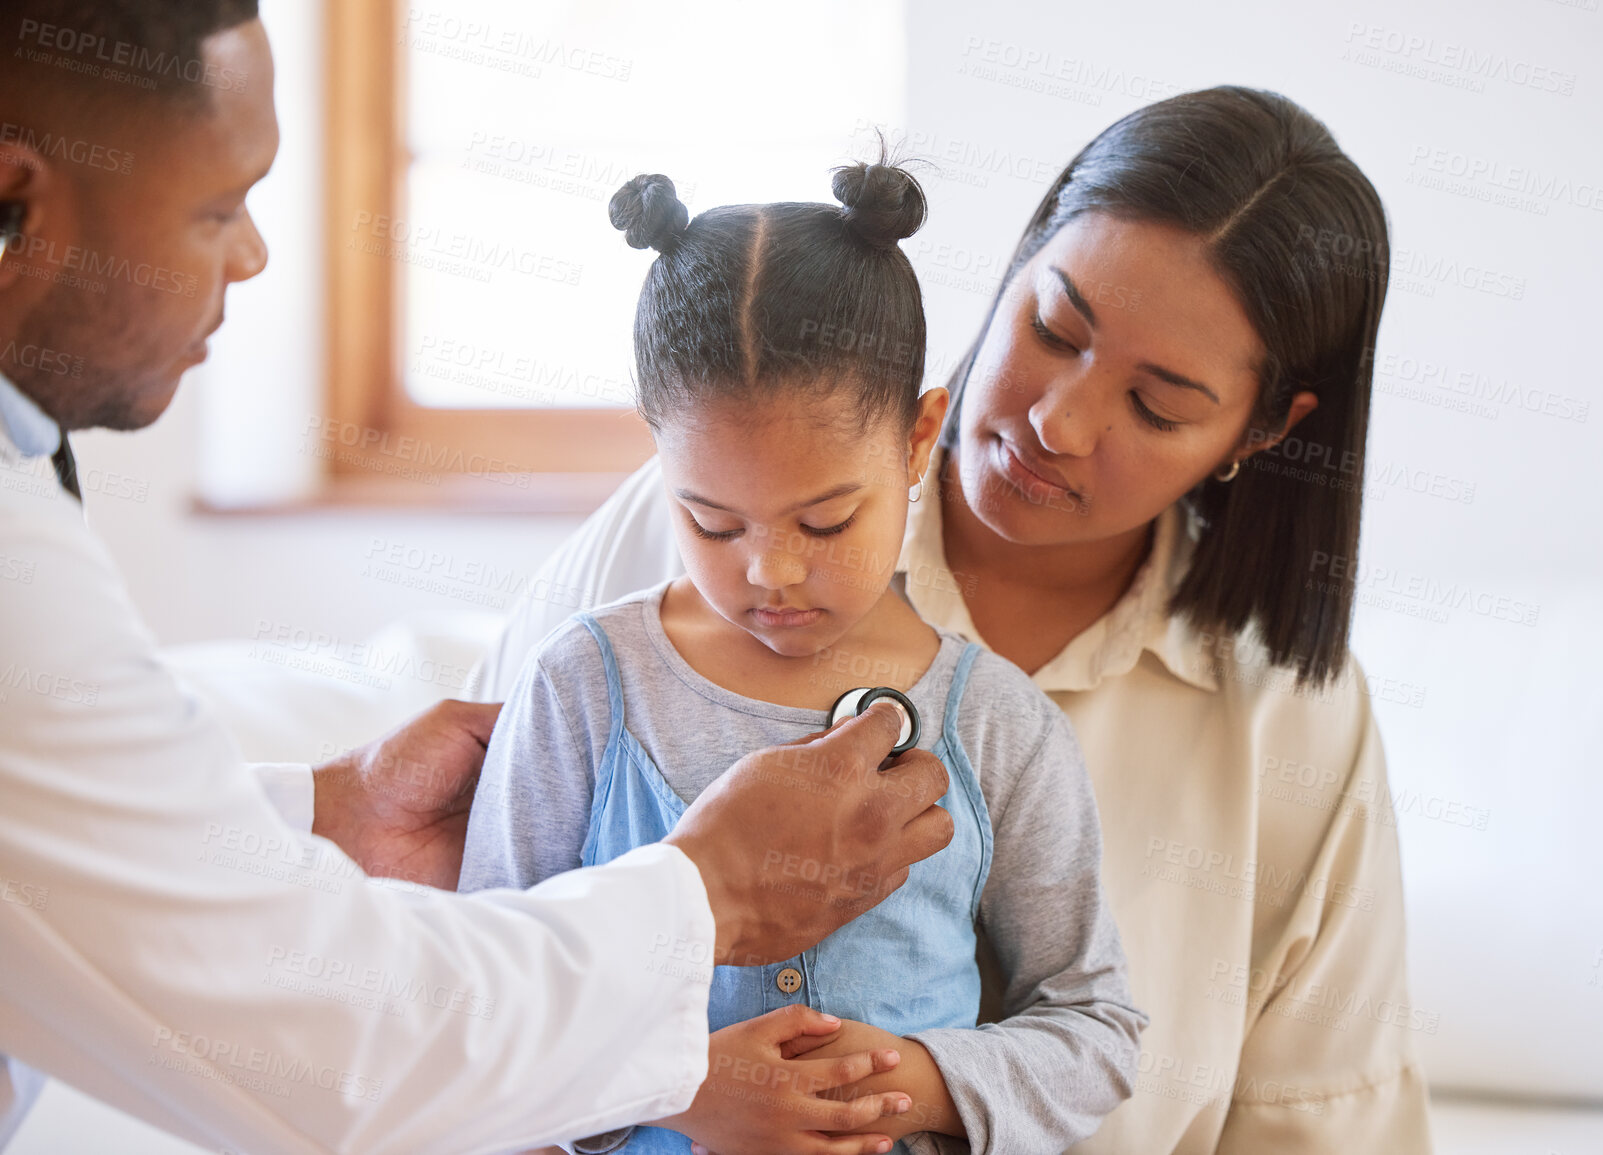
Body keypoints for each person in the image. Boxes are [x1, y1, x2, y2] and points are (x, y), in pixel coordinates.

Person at [0, 3, 957, 1151]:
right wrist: (707, 895)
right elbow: (338, 1052)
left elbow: (73, 855)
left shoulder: (983, 707)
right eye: (218, 208)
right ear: (15, 203)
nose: (255, 256)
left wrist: (328, 813)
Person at [471, 87, 1435, 1154]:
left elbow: (1316, 1119)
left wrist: (901, 1082)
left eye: (1157, 405)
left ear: (1262, 429)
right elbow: (450, 988)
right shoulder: (651, 578)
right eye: (1053, 326)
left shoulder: (1289, 721)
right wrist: (664, 1084)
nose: (1055, 424)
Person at [460, 166, 1145, 1155]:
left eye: (826, 519)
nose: (771, 572)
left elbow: (1097, 1031)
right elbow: (479, 1001)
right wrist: (675, 1093)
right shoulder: (584, 691)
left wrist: (897, 1084)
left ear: (918, 439)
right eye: (712, 520)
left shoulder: (997, 725)